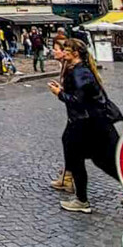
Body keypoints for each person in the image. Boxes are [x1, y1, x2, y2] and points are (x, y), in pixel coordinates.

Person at [48, 39, 122, 213]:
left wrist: (59, 93)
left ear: (75, 53)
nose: (63, 52)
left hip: (87, 124)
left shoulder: (80, 73)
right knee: (101, 161)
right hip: (89, 123)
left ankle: (82, 200)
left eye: (66, 49)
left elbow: (79, 101)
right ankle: (80, 196)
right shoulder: (78, 70)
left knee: (94, 161)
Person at [49, 36, 74, 194]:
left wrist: (60, 93)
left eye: (57, 49)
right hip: (77, 116)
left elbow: (77, 97)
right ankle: (67, 178)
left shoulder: (75, 69)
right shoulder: (66, 66)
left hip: (85, 117)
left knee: (104, 158)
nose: (54, 51)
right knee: (69, 144)